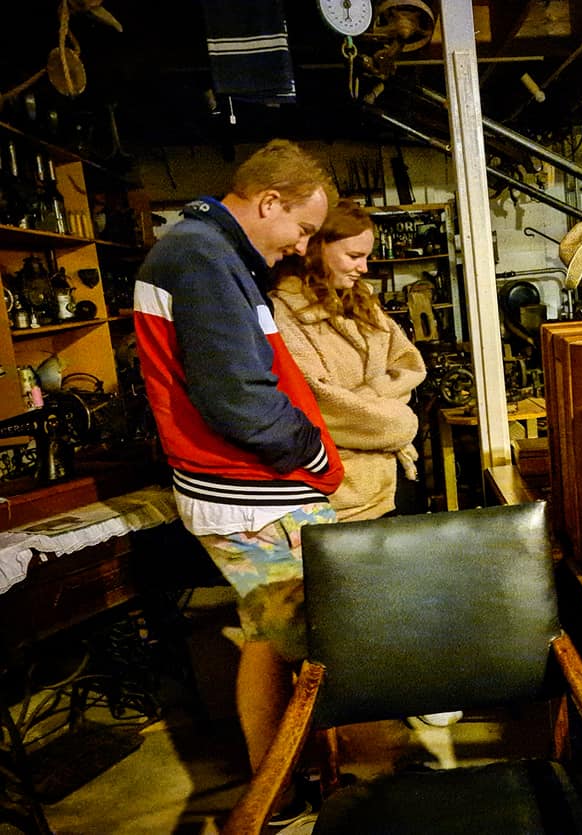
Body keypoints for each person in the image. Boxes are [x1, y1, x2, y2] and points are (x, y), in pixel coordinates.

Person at [132, 140, 344, 796]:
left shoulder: (204, 251)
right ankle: (282, 790)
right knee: (293, 640)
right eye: (302, 229)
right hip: (248, 492)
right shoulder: (200, 255)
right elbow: (237, 398)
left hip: (250, 488)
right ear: (269, 201)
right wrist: (309, 451)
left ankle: (283, 785)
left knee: (269, 633)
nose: (302, 247)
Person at [271, 199, 427, 521]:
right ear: (316, 250)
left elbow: (409, 365)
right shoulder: (284, 314)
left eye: (366, 257)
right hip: (341, 491)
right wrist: (394, 420)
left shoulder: (362, 302)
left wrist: (365, 400)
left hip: (393, 473)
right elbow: (318, 405)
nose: (364, 268)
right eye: (354, 256)